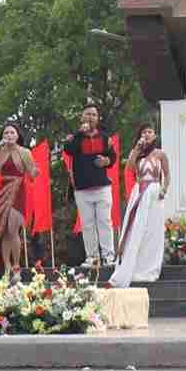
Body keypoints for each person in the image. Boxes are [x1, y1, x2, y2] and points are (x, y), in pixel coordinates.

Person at [110, 129, 168, 288]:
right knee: (136, 229)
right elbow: (129, 168)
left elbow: (167, 174)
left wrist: (164, 189)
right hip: (140, 191)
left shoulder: (160, 154)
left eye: (150, 132)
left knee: (152, 231)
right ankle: (133, 267)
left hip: (154, 193)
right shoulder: (137, 152)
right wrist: (136, 149)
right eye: (143, 132)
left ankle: (150, 268)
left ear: (155, 136)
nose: (147, 134)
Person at [64, 105, 119, 272]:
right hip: (82, 189)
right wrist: (79, 134)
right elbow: (69, 150)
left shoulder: (105, 138)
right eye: (87, 114)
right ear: (82, 118)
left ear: (98, 118)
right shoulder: (76, 138)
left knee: (104, 221)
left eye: (94, 114)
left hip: (102, 187)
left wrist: (106, 161)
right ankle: (92, 257)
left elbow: (113, 157)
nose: (91, 117)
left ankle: (108, 256)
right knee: (87, 224)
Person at [0, 123, 35, 278]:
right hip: (2, 192)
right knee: (3, 231)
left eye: (12, 132)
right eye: (6, 133)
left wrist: (36, 172)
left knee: (13, 229)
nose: (9, 135)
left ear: (17, 135)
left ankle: (16, 266)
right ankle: (7, 265)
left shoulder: (24, 152)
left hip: (18, 192)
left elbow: (32, 173)